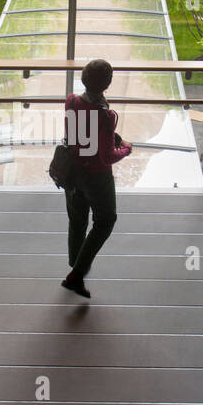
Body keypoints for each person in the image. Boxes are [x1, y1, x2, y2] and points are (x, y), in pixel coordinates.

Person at [61, 59, 132, 298]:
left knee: (77, 220)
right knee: (105, 221)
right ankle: (76, 275)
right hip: (96, 177)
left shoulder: (71, 101)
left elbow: (80, 132)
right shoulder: (106, 115)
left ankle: (76, 263)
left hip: (71, 172)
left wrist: (110, 135)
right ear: (108, 83)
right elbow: (106, 157)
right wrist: (126, 149)